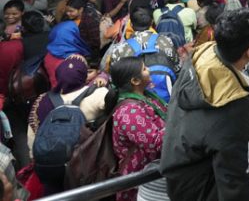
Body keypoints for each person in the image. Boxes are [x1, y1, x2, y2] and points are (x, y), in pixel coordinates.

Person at [161, 9, 249, 200]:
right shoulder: (235, 106)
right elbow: (235, 182)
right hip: (205, 190)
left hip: (180, 175)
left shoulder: (203, 54)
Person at [27, 56, 109, 194]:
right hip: (85, 168)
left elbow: (32, 136)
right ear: (84, 75)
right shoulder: (99, 94)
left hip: (52, 170)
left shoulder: (41, 101)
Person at [108, 57, 167, 201]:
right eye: (145, 69)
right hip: (139, 182)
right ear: (135, 81)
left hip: (153, 173)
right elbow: (155, 144)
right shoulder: (130, 111)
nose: (149, 70)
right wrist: (181, 122)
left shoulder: (147, 97)